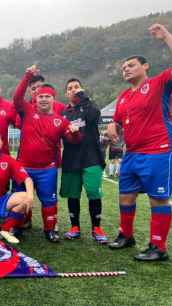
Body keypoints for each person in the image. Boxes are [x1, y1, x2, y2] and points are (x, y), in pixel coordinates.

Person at [107, 23, 172, 261]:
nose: (126, 69)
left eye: (131, 65)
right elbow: (118, 120)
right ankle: (126, 235)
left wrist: (166, 37)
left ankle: (158, 247)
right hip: (131, 154)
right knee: (125, 196)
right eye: (124, 67)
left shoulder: (159, 83)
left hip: (159, 151)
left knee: (158, 198)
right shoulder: (123, 96)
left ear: (145, 66)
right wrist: (113, 125)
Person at [14, 85, 82, 242]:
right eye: (40, 96)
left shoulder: (61, 121)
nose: (44, 99)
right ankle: (17, 226)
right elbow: (17, 98)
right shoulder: (28, 111)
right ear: (35, 99)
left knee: (49, 201)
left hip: (47, 169)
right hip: (23, 168)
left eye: (47, 96)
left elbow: (74, 141)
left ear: (53, 99)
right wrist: (27, 77)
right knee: (19, 198)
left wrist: (75, 132)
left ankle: (49, 230)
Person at [60, 77, 108, 244]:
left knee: (94, 192)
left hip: (91, 157)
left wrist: (83, 97)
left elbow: (95, 115)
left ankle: (97, 227)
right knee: (73, 194)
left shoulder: (90, 106)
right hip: (71, 159)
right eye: (70, 88)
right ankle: (75, 227)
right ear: (66, 93)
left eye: (77, 87)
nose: (74, 90)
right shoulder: (64, 113)